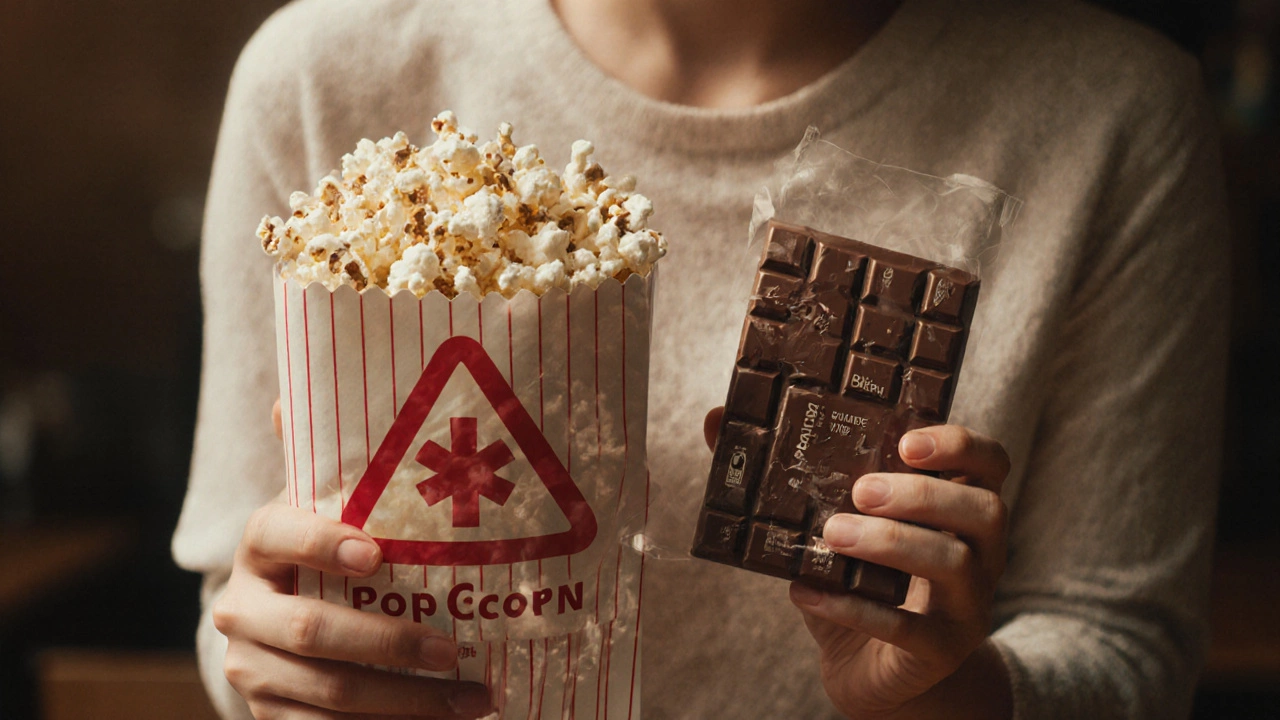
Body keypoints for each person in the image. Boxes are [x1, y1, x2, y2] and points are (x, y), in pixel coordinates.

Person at [173, 0, 1230, 717]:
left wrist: (946, 696)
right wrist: (283, 664)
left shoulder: (1108, 116)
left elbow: (1121, 648)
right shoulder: (323, 74)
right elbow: (244, 609)